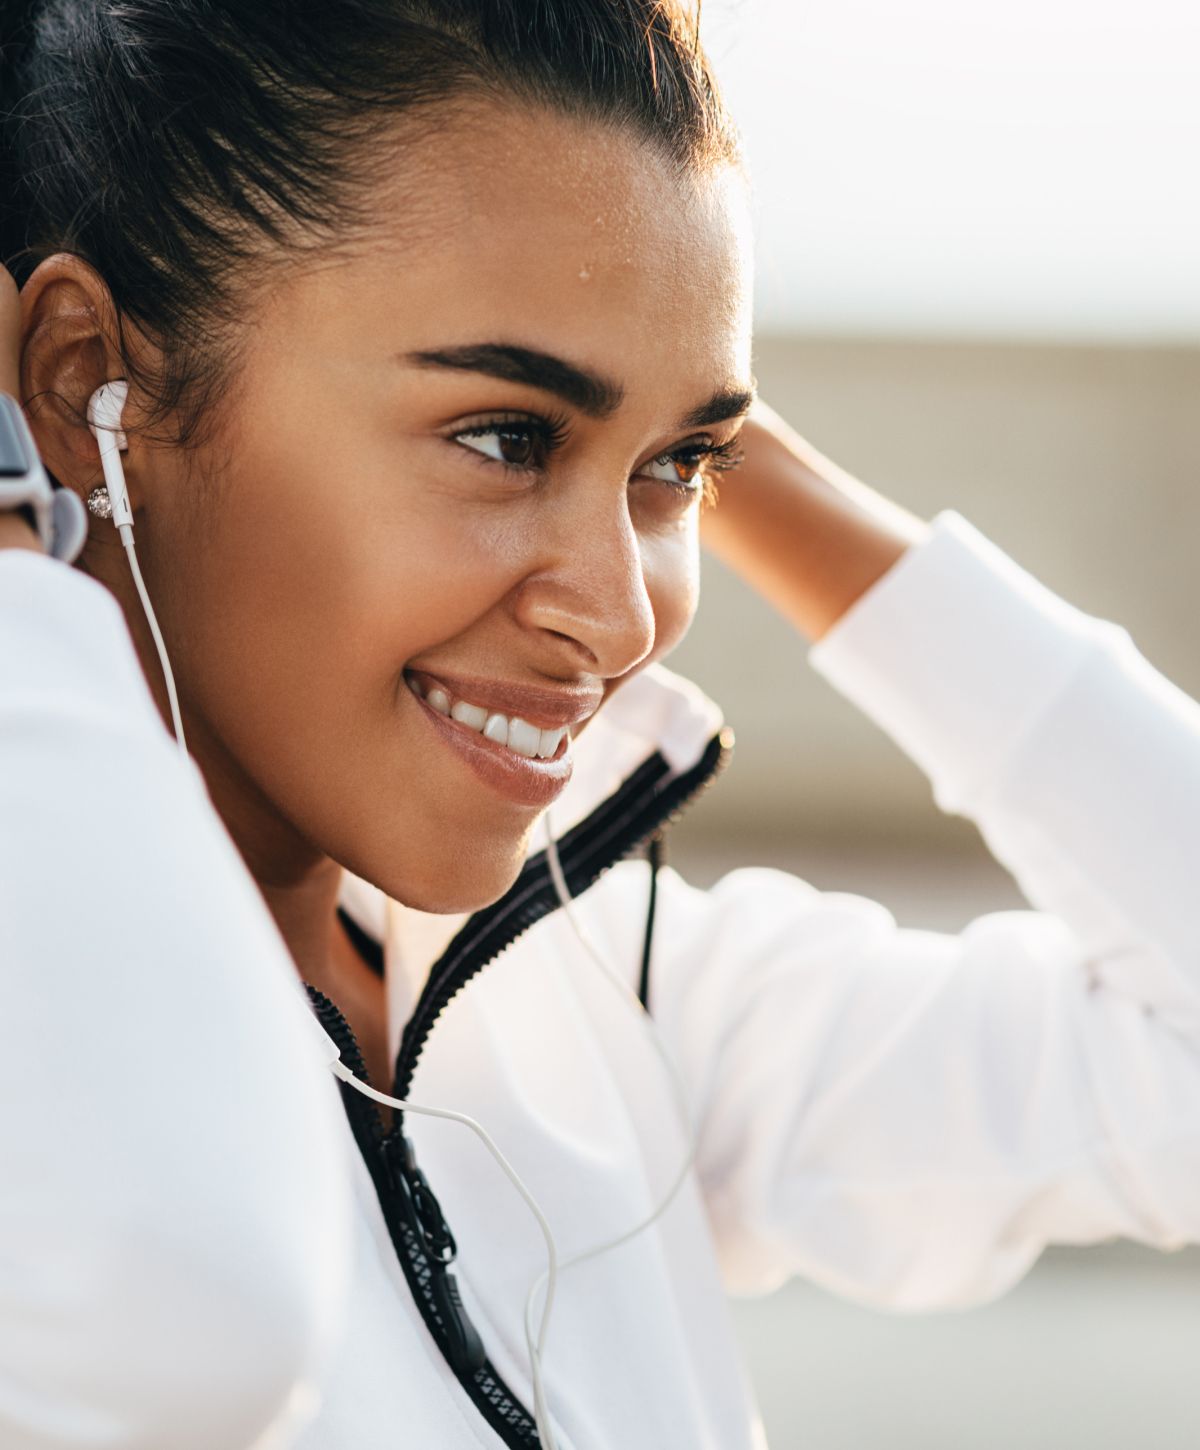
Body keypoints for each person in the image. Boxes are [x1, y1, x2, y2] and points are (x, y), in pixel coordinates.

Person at [2, 2, 1198, 1448]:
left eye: (680, 467)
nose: (627, 618)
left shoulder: (594, 991)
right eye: (508, 436)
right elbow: (183, 1319)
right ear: (81, 383)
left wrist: (658, 359)